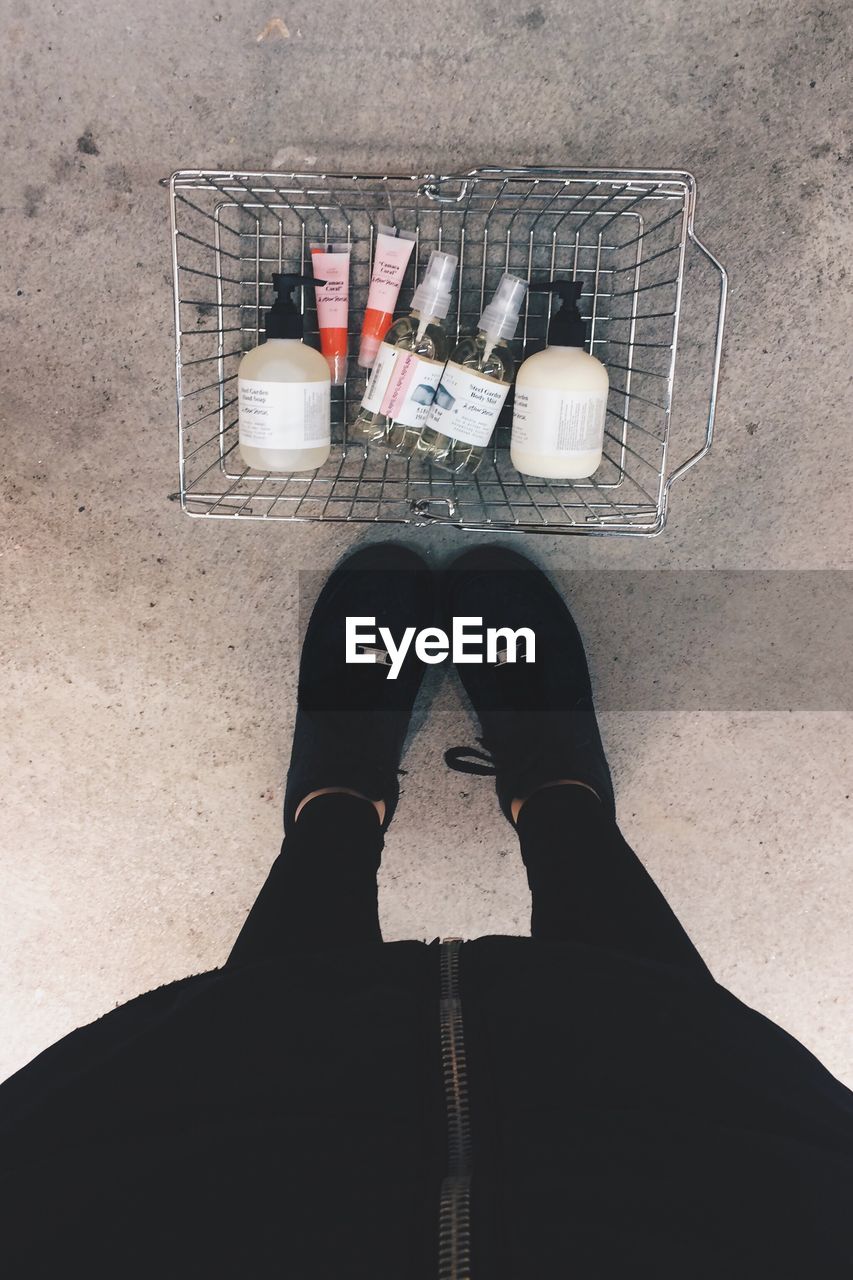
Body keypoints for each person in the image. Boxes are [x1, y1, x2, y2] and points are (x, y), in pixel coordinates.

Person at [1, 543, 851, 1279]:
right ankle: (557, 794)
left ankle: (337, 801)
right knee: (655, 1037)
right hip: (705, 1215)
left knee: (265, 1041)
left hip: (209, 1213)